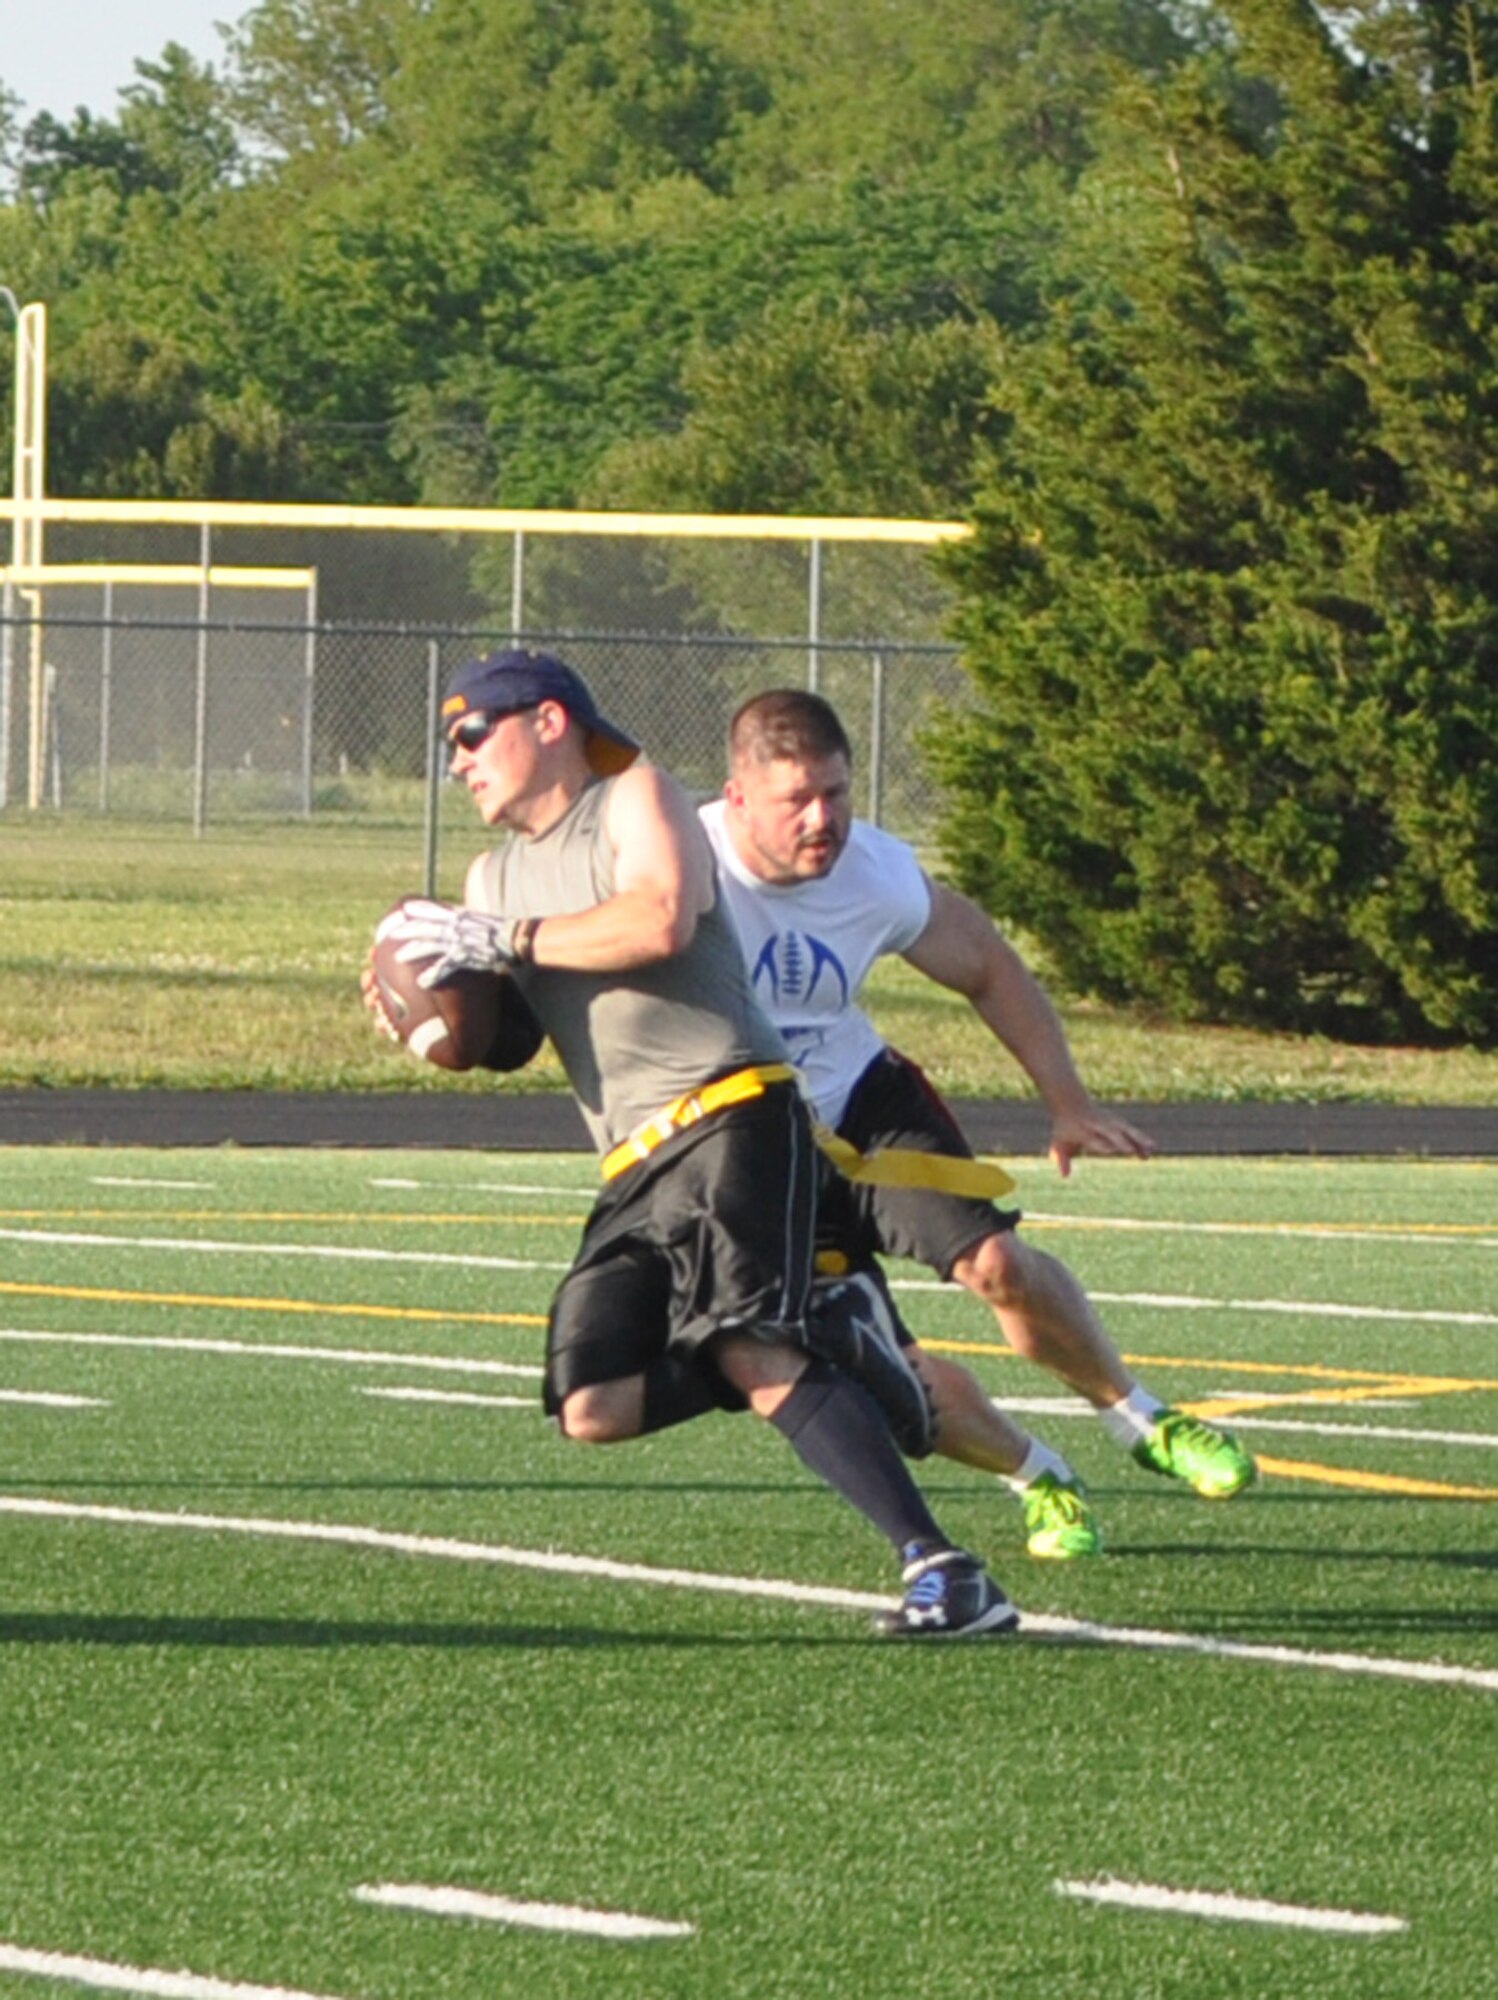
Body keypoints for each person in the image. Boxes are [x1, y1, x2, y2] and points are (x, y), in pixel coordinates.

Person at [366, 648, 1017, 1638]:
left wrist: (504, 941)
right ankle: (834, 1329)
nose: (457, 759)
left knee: (746, 1339)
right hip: (632, 1158)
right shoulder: (490, 875)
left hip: (731, 1108)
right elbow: (511, 1036)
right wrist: (430, 1021)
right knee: (592, 1403)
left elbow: (661, 917)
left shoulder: (633, 795)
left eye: (471, 732)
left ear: (547, 723)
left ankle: (941, 1565)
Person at [699, 687, 1257, 1548]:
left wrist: (1068, 1103)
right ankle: (1041, 1476)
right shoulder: (679, 870)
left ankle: (1145, 1421)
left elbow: (988, 964)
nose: (822, 819)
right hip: (747, 1148)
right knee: (882, 1372)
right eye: (796, 801)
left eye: (837, 794)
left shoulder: (874, 873)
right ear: (737, 798)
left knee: (996, 1262)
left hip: (865, 1109)